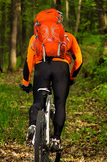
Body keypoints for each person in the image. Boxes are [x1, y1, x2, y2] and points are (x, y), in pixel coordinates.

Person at [20, 11, 82, 151]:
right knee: (60, 103)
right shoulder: (69, 37)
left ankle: (33, 125)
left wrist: (26, 82)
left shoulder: (35, 39)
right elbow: (79, 60)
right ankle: (56, 139)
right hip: (61, 69)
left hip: (41, 69)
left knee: (38, 102)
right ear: (60, 23)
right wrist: (71, 77)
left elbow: (28, 62)